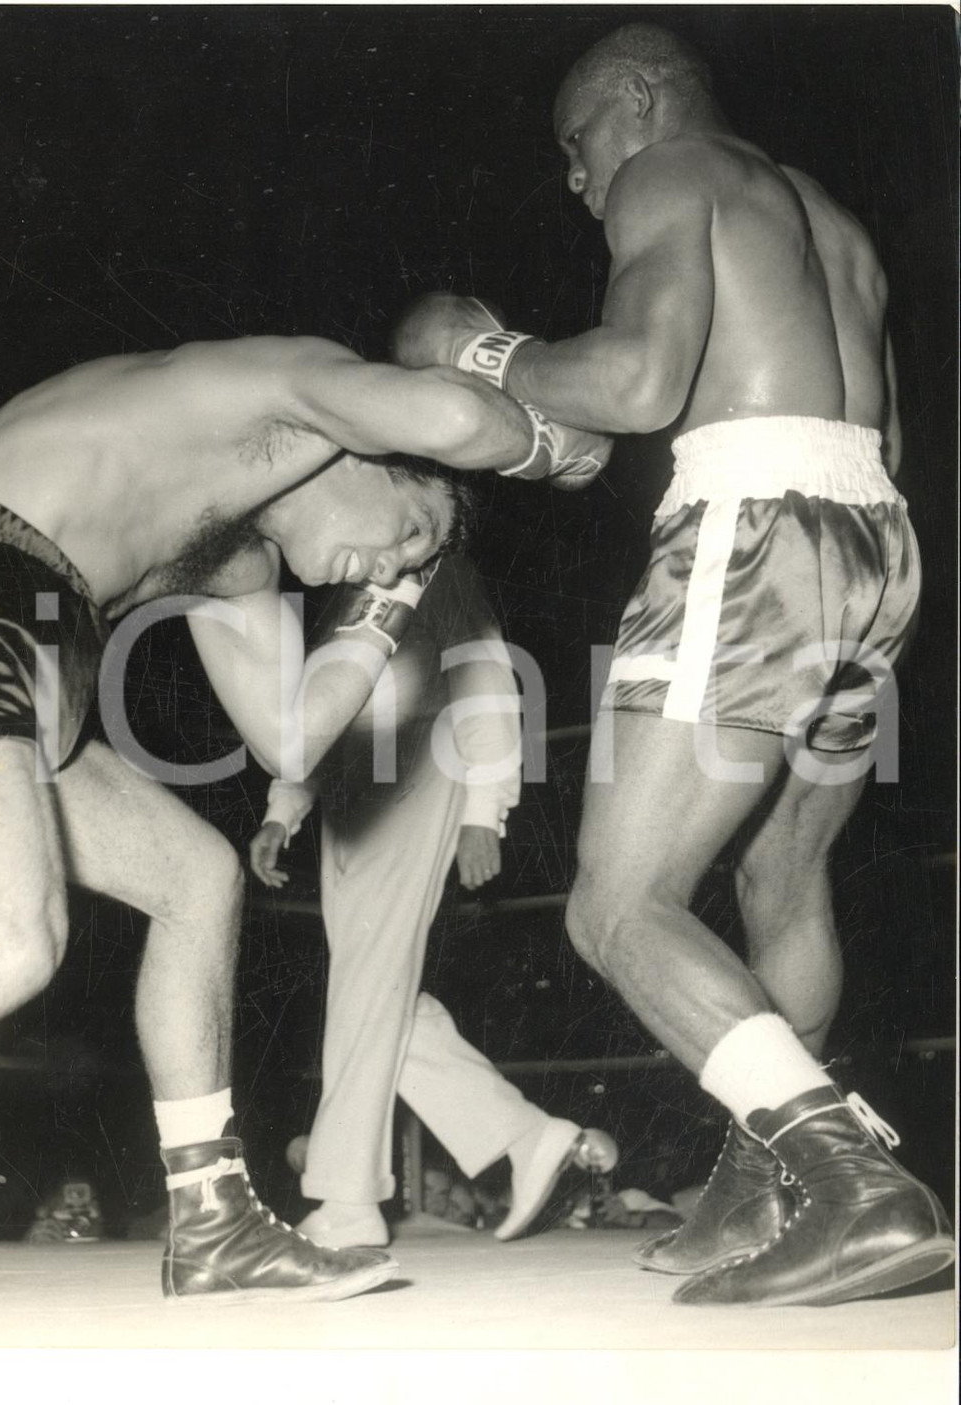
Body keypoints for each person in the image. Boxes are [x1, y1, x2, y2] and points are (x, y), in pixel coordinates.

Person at [390, 23, 954, 1306]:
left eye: (577, 144)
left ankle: (849, 1181)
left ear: (635, 103)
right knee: (782, 869)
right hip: (877, 540)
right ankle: (764, 1190)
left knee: (614, 904)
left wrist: (480, 353)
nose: (578, 180)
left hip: (754, 526)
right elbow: (886, 431)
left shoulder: (671, 170)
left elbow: (641, 385)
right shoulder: (831, 219)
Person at [0, 331, 610, 1304]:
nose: (390, 563)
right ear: (369, 448)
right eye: (410, 530)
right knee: (8, 941)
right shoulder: (279, 396)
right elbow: (453, 416)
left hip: (32, 663)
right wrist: (556, 440)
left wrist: (394, 594)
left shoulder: (236, 564)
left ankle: (213, 1222)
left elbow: (291, 735)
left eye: (410, 567)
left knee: (196, 876)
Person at [250, 554, 617, 1250]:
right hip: (349, 802)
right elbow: (318, 711)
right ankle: (529, 1135)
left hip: (423, 771)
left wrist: (484, 810)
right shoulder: (344, 585)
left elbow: (484, 679)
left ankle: (347, 1196)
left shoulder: (434, 557)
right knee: (381, 994)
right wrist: (284, 810)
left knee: (367, 985)